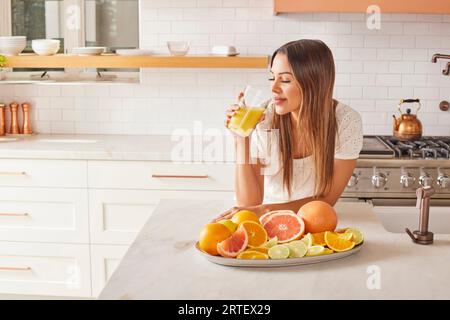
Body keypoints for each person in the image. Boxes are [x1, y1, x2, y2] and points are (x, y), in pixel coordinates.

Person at [213, 39, 363, 222]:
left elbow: (326, 200)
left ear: (314, 83)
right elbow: (249, 205)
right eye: (272, 77)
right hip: (267, 221)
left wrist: (264, 210)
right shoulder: (264, 117)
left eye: (284, 80)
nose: (273, 88)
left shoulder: (345, 121)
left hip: (315, 220)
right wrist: (241, 139)